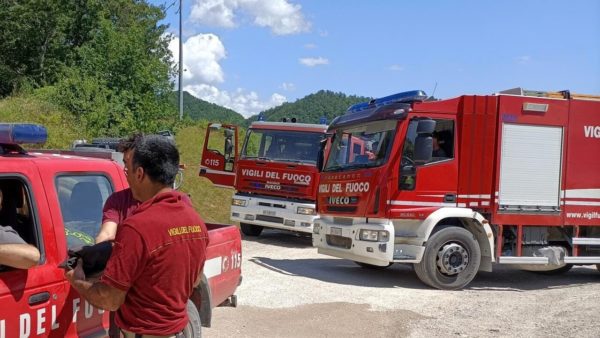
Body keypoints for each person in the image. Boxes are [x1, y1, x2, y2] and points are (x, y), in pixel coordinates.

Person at [66, 135, 209, 337]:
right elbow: (194, 281)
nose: (127, 176)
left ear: (140, 173)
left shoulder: (137, 227)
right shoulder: (196, 222)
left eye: (128, 169)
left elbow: (111, 300)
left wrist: (78, 282)